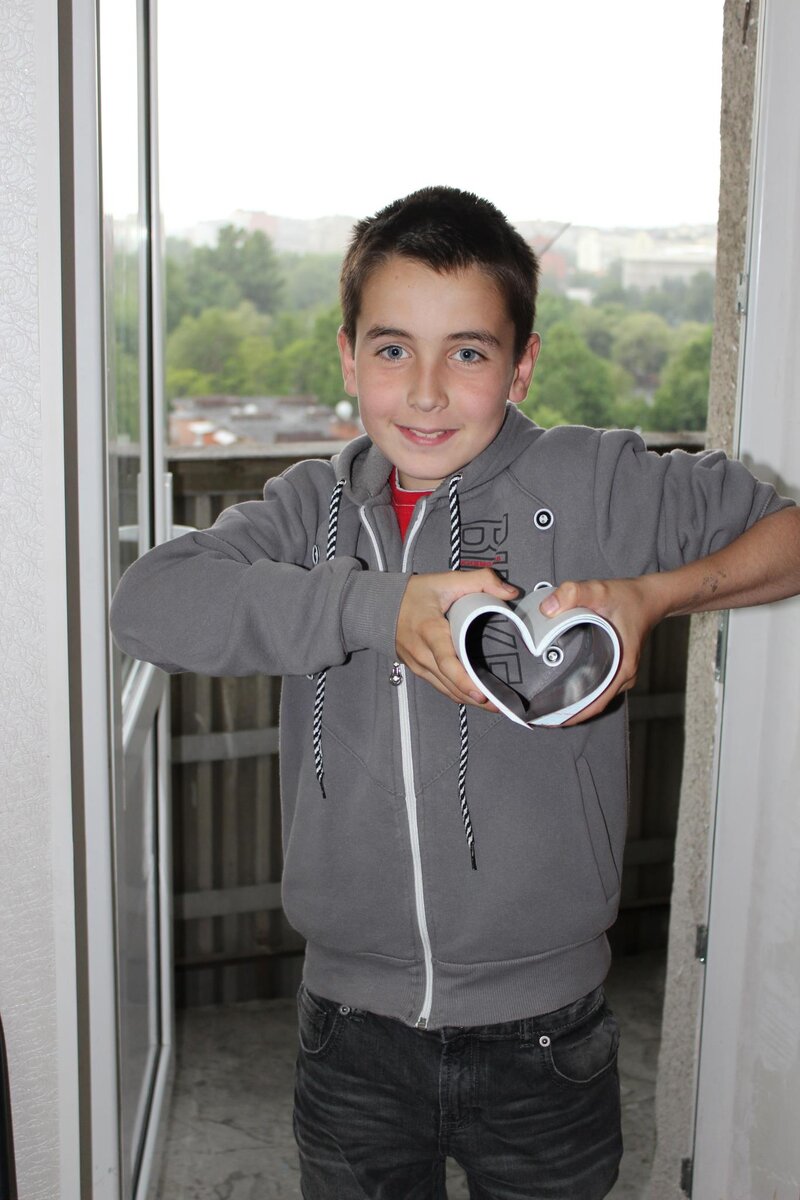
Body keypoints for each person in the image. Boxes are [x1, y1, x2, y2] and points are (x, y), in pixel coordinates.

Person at [110, 186, 800, 1199]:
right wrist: (373, 608)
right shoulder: (308, 512)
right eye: (392, 349)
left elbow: (785, 534)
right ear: (348, 357)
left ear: (520, 365)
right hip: (346, 1034)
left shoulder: (597, 481)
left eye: (467, 352)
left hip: (546, 1041)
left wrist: (654, 597)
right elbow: (147, 605)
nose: (426, 392)